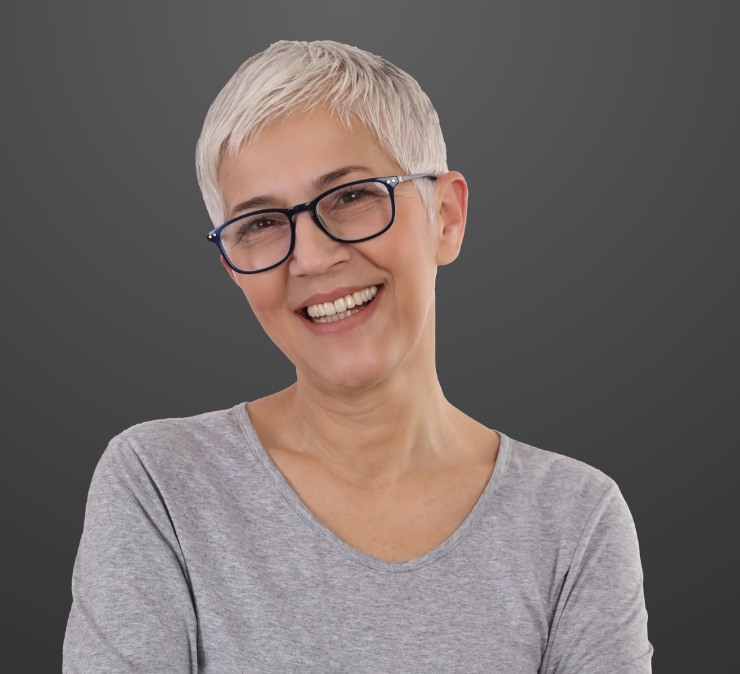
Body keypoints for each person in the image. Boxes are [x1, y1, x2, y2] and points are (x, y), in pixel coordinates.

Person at [63, 40, 653, 673]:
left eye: (350, 197)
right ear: (234, 269)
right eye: (260, 223)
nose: (312, 258)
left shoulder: (573, 520)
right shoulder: (162, 487)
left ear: (446, 216)